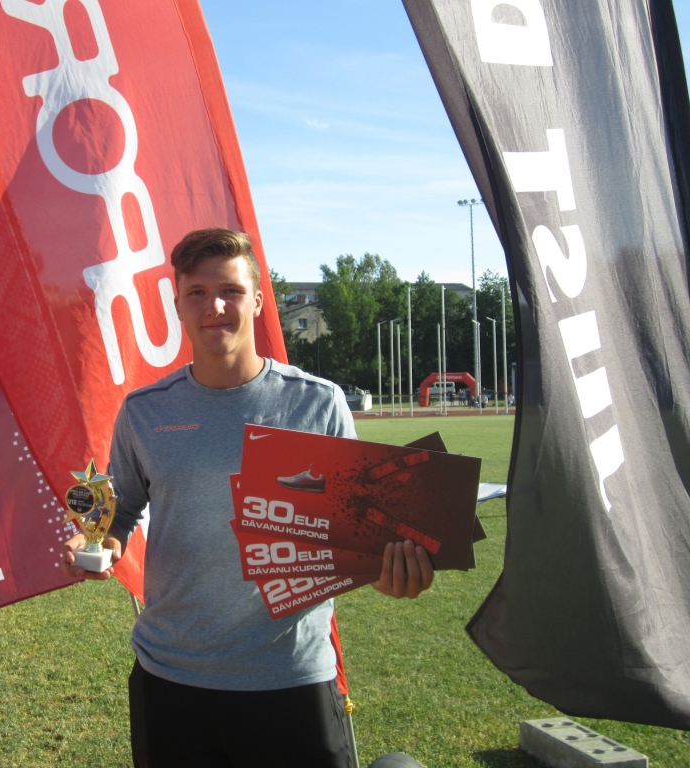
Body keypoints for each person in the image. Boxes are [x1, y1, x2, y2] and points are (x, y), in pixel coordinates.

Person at [60, 228, 433, 767]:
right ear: (177, 304)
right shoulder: (144, 411)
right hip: (170, 677)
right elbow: (121, 513)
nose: (214, 307)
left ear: (257, 300)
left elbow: (361, 539)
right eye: (196, 292)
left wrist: (391, 572)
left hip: (291, 679)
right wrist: (99, 544)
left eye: (230, 291)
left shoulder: (318, 404)